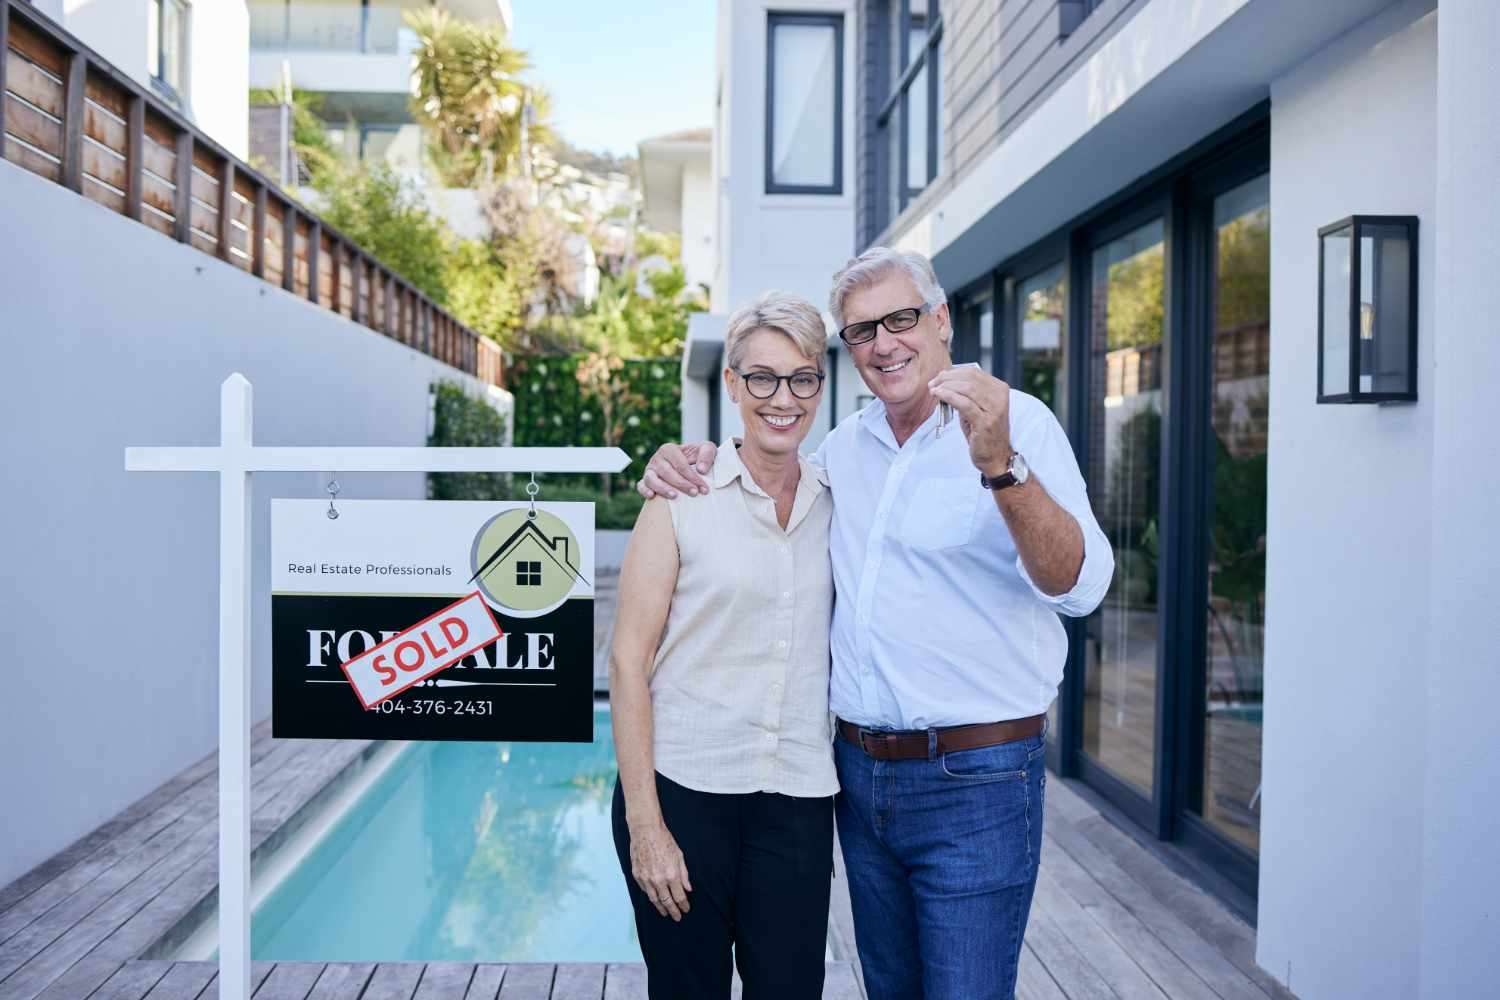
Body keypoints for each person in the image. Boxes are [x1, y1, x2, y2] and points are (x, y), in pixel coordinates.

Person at [638, 247, 1114, 1000]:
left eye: (901, 319)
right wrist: (684, 460)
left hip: (976, 781)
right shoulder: (842, 454)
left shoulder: (1019, 423)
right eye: (863, 331)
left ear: (942, 320)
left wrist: (1002, 467)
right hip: (858, 782)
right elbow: (761, 474)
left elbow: (1080, 587)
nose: (885, 343)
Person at [609, 291, 839, 1000]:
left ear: (820, 388)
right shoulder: (682, 496)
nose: (783, 398)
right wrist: (646, 826)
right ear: (734, 384)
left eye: (803, 378)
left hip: (797, 799)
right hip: (684, 794)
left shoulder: (840, 498)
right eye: (763, 378)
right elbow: (626, 663)